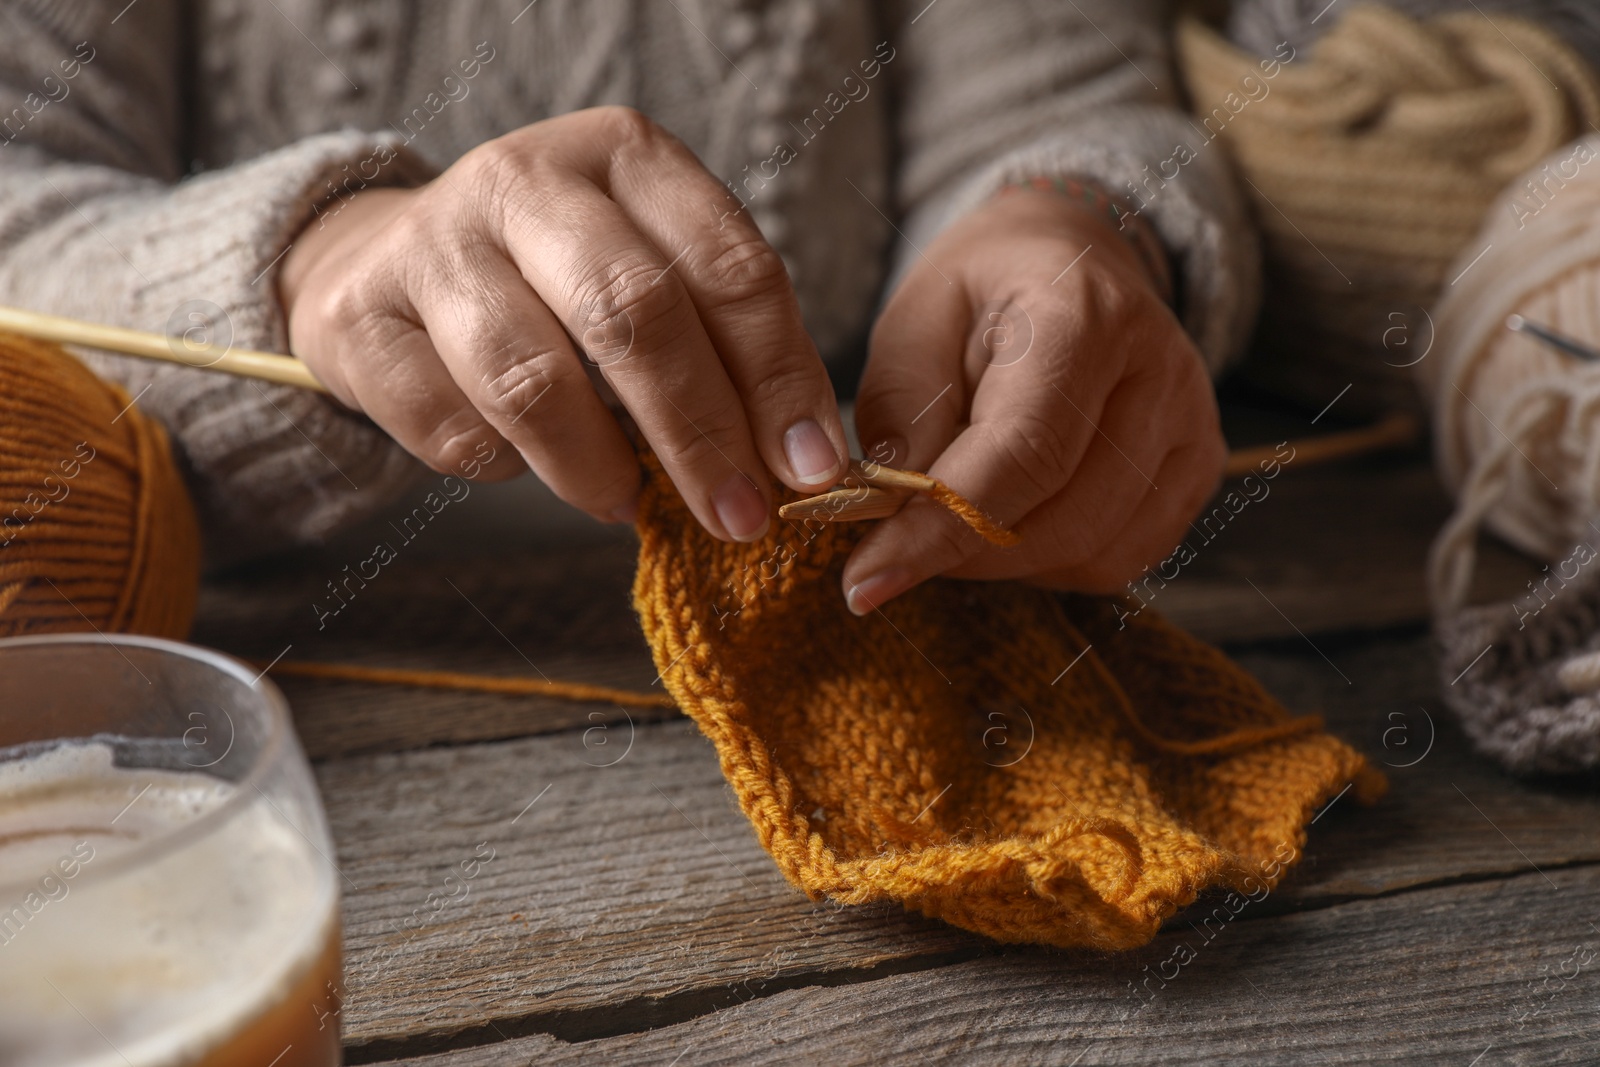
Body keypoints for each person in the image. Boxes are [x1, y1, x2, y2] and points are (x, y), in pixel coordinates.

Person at [0, 0, 1257, 613]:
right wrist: (313, 262)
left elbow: (1067, 94)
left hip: (875, 618)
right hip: (275, 701)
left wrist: (1067, 213)